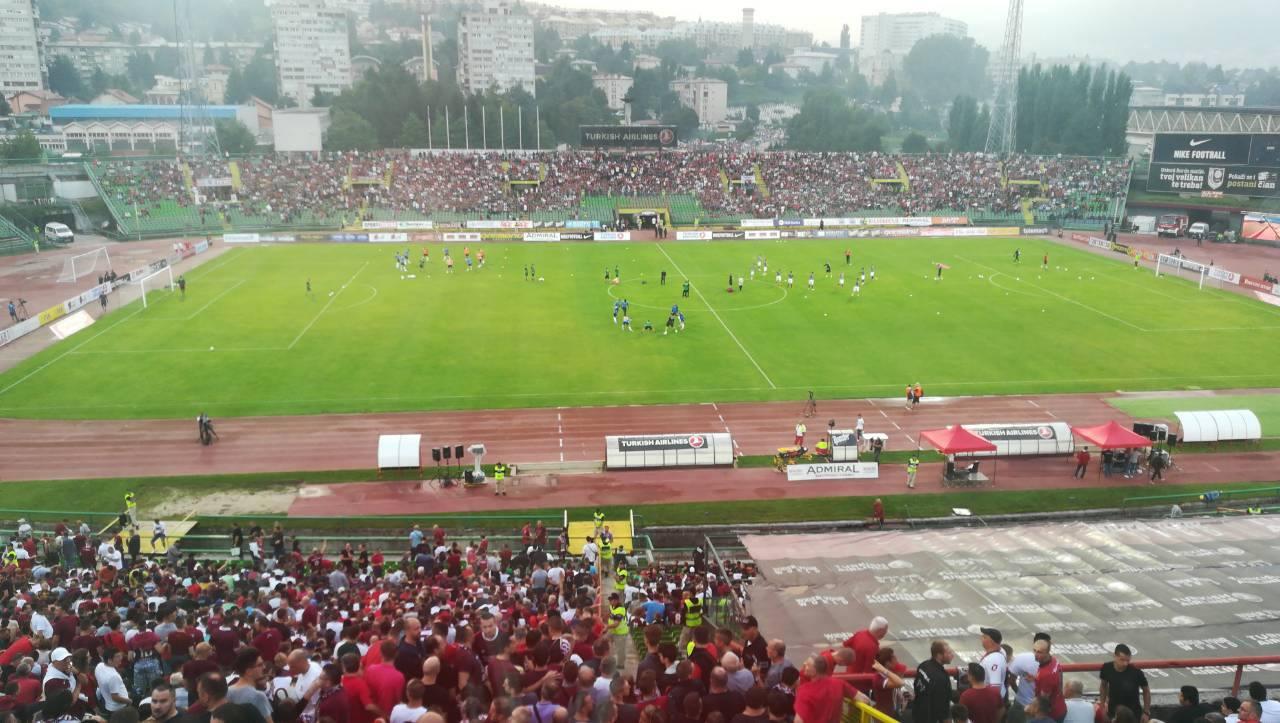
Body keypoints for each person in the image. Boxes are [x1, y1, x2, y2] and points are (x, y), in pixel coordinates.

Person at [1098, 644, 1150, 722]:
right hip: (1113, 713)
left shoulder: (1136, 672)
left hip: (1134, 714)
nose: (1125, 663)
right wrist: (1102, 705)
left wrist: (1146, 712)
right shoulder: (1106, 668)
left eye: (1127, 660)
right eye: (1122, 660)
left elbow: (1146, 690)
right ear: (1115, 656)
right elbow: (1103, 685)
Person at [912, 640, 955, 723]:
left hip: (918, 715)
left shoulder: (923, 665)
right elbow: (943, 708)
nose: (952, 655)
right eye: (949, 652)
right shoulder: (941, 678)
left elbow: (916, 687)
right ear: (939, 655)